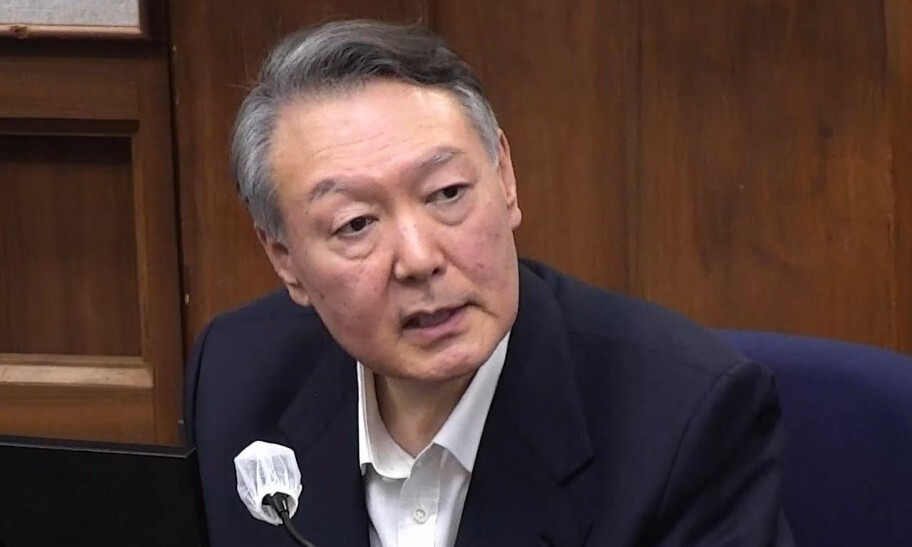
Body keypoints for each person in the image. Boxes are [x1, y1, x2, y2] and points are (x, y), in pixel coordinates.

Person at [184, 19, 793, 547]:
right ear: (284, 258)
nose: (419, 259)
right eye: (356, 224)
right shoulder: (236, 379)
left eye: (447, 193)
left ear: (505, 179)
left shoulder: (682, 421)